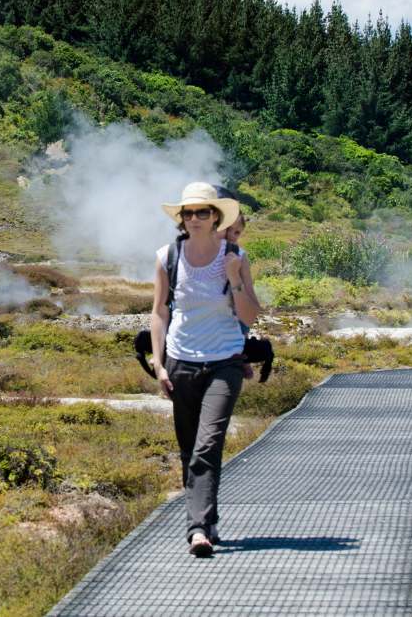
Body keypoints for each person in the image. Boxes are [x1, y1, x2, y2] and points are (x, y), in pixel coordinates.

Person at [151, 182, 260, 557]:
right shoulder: (167, 256)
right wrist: (159, 362)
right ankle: (205, 516)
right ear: (181, 219)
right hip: (181, 361)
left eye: (202, 212)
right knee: (188, 449)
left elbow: (248, 314)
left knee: (208, 443)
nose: (194, 218)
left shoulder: (235, 255)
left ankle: (197, 529)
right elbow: (160, 311)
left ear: (216, 217)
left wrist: (233, 278)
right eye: (188, 213)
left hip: (225, 361)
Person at [213, 186, 261, 379]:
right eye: (228, 229)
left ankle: (242, 356)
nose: (233, 236)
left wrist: (235, 277)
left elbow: (250, 309)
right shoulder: (181, 253)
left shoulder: (238, 256)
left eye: (237, 232)